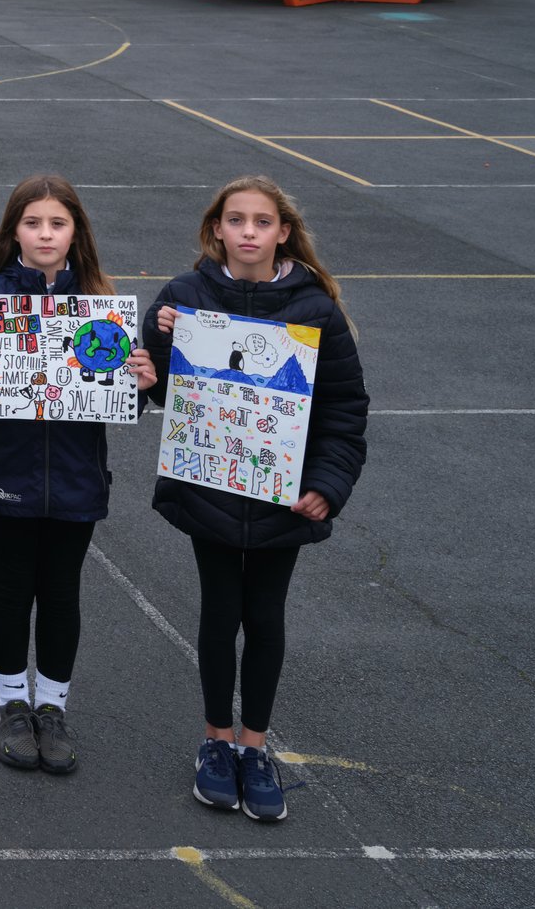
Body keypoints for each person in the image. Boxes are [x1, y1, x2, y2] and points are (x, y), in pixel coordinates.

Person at [144, 176, 366, 824]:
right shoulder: (184, 296)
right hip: (213, 486)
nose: (247, 231)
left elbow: (344, 408)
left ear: (282, 232)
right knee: (219, 611)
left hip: (281, 496)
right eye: (235, 219)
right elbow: (159, 390)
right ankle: (216, 740)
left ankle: (255, 746)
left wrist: (328, 484)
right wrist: (161, 340)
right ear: (216, 228)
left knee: (265, 616)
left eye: (260, 221)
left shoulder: (315, 308)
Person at [0, 175, 156, 777]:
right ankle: (11, 702)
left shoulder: (101, 308)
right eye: (33, 223)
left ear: (75, 232)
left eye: (57, 224)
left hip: (79, 477)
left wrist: (140, 386)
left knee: (61, 591)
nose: (45, 234)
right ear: (15, 232)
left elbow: (121, 404)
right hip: (9, 471)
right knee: (12, 586)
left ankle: (52, 706)